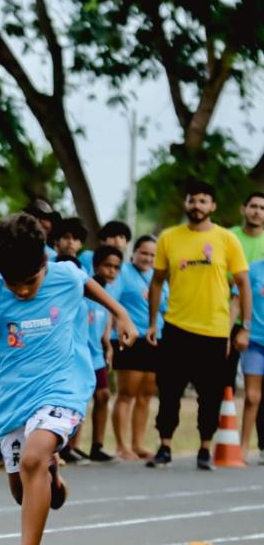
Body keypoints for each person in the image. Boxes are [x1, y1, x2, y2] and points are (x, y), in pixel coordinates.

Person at [0, 213, 136, 545]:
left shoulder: (64, 274)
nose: (22, 292)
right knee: (22, 489)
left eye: (30, 282)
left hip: (64, 386)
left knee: (32, 460)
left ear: (44, 262)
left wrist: (120, 313)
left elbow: (90, 286)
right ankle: (51, 476)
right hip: (13, 398)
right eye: (14, 284)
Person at [146, 180, 250, 470]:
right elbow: (156, 281)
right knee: (168, 390)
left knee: (211, 392)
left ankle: (205, 448)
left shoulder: (227, 240)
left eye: (204, 201)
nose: (197, 206)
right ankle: (165, 446)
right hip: (176, 326)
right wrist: (153, 322)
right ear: (186, 204)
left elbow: (243, 285)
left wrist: (244, 327)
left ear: (212, 206)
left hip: (214, 330)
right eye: (193, 200)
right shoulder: (169, 237)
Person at [107, 235, 162, 460]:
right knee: (127, 393)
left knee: (146, 394)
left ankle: (138, 444)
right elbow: (111, 303)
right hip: (131, 339)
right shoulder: (124, 273)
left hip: (155, 339)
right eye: (144, 253)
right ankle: (121, 446)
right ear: (134, 252)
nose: (148, 258)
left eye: (152, 254)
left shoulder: (159, 277)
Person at [84, 245, 123, 462]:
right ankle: (67, 446)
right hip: (80, 354)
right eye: (107, 266)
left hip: (97, 353)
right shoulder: (84, 290)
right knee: (80, 399)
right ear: (96, 266)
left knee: (103, 395)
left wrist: (108, 344)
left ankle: (97, 446)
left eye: (116, 267)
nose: (111, 271)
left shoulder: (110, 293)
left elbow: (107, 321)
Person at [239, 257, 264, 459]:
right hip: (255, 340)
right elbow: (238, 299)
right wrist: (241, 330)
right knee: (252, 397)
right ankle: (244, 446)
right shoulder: (253, 269)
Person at [231, 192, 264, 266]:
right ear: (242, 209)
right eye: (253, 206)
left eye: (262, 208)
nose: (257, 212)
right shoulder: (227, 236)